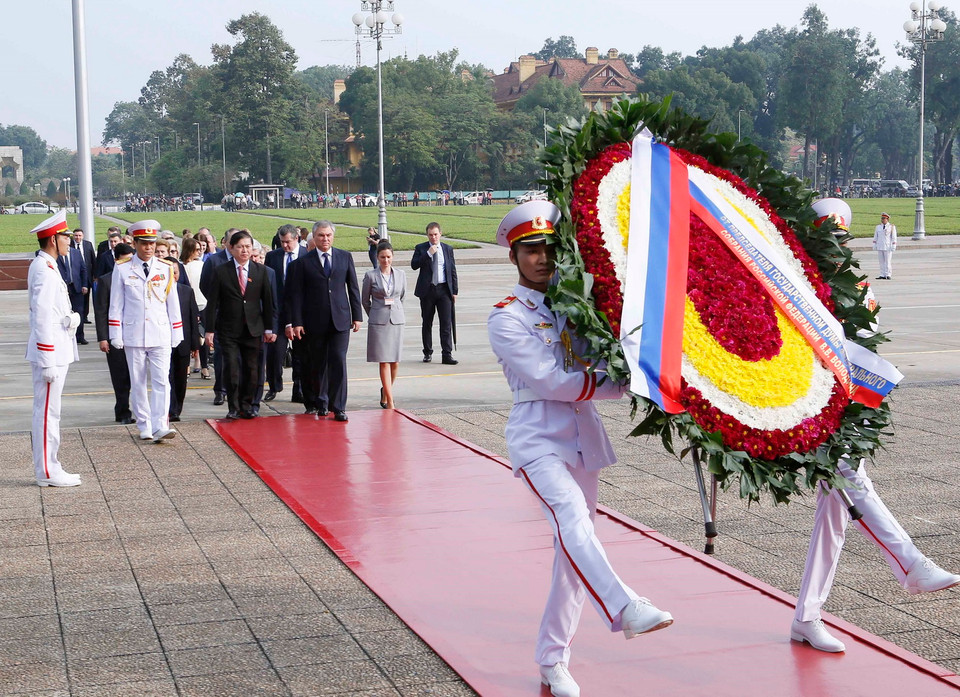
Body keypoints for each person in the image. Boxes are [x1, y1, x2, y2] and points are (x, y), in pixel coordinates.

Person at [488, 201, 672, 697]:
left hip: (583, 439)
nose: (542, 258)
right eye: (530, 250)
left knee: (573, 551)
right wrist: (628, 385)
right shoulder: (506, 318)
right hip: (537, 439)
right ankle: (624, 606)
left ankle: (553, 659)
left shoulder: (580, 305)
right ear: (514, 257)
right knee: (571, 517)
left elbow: (610, 354)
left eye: (549, 248)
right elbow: (552, 380)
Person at [791, 199, 960, 653]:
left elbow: (869, 335)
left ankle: (807, 615)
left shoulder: (858, 283)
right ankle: (910, 563)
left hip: (852, 402)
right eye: (828, 235)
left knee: (835, 518)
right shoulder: (798, 281)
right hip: (813, 405)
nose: (837, 244)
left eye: (841, 235)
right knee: (849, 481)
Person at [108, 219, 183, 442]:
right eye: (144, 243)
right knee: (138, 381)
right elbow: (116, 303)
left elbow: (172, 302)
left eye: (151, 243)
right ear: (135, 243)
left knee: (162, 380)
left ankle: (161, 424)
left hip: (159, 332)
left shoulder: (166, 267)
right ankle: (144, 423)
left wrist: (176, 330)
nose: (148, 248)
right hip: (134, 332)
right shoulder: (122, 268)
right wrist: (115, 333)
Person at [25, 211, 82, 487]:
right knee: (48, 411)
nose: (69, 241)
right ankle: (47, 470)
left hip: (57, 348)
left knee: (50, 410)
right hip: (51, 352)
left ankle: (50, 465)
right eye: (65, 236)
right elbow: (42, 316)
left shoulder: (47, 266)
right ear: (52, 239)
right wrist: (47, 358)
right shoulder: (44, 270)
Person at [285, 220, 362, 422]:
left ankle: (339, 407)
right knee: (318, 364)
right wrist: (297, 322)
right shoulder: (303, 263)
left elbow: (352, 288)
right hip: (314, 321)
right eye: (321, 235)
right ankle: (321, 402)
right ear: (313, 237)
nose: (325, 239)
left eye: (328, 235)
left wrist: (357, 316)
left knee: (338, 361)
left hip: (340, 320)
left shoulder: (344, 257)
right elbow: (297, 296)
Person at [204, 231, 276, 420]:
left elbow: (268, 302)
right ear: (231, 248)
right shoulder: (221, 271)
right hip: (228, 329)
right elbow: (212, 303)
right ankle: (233, 407)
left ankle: (248, 405)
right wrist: (209, 330)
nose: (244, 250)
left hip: (253, 329)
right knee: (232, 369)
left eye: (247, 246)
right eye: (240, 247)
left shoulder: (260, 271)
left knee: (252, 370)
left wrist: (269, 328)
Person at [264, 225, 306, 403]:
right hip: (278, 314)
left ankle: (299, 388)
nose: (285, 246)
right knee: (275, 354)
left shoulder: (307, 255)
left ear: (297, 238)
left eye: (288, 242)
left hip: (300, 314)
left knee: (300, 355)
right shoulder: (272, 257)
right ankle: (274, 386)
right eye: (282, 242)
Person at [361, 240, 406, 409]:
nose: (386, 260)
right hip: (379, 321)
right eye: (382, 257)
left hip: (396, 319)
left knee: (395, 361)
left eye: (388, 257)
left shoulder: (400, 274)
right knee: (384, 361)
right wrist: (375, 313)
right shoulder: (371, 275)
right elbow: (365, 300)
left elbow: (402, 296)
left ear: (392, 257)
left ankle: (386, 391)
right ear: (377, 257)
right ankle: (391, 401)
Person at [94, 242, 135, 425]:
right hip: (114, 335)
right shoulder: (106, 280)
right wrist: (103, 337)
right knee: (120, 375)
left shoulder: (137, 277)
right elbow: (101, 310)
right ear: (116, 260)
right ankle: (123, 410)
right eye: (125, 261)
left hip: (136, 333)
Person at [411, 222, 458, 365]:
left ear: (440, 234)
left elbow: (452, 270)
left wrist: (454, 291)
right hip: (428, 290)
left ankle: (447, 354)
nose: (433, 237)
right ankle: (427, 352)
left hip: (444, 290)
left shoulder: (447, 249)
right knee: (427, 323)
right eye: (430, 235)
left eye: (436, 234)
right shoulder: (421, 248)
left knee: (446, 323)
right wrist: (427, 254)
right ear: (427, 235)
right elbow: (414, 265)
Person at [168, 263, 202, 422]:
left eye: (175, 272)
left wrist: (195, 345)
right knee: (167, 377)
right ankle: (170, 409)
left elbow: (193, 320)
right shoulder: (156, 292)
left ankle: (177, 407)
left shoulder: (186, 291)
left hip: (183, 342)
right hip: (163, 342)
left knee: (180, 378)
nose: (173, 276)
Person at [180, 237, 208, 378]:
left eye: (200, 249)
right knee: (189, 336)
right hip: (189, 305)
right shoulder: (182, 267)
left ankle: (204, 365)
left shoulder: (202, 264)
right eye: (196, 249)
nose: (200, 251)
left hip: (203, 303)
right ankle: (188, 364)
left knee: (203, 336)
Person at [57, 233, 88, 345]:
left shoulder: (76, 253)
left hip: (76, 286)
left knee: (78, 312)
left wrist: (84, 285)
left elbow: (83, 269)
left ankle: (80, 336)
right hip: (63, 288)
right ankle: (67, 336)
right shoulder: (57, 254)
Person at [72, 228, 96, 325]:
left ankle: (85, 316)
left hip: (87, 275)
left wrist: (95, 274)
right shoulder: (70, 245)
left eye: (79, 235)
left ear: (83, 236)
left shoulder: (88, 244)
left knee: (86, 297)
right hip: (75, 275)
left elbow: (93, 260)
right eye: (76, 235)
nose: (78, 237)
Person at [873, 212, 897, 279]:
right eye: (882, 218)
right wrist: (874, 244)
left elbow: (893, 237)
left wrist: (894, 245)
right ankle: (882, 274)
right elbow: (875, 236)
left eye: (884, 218)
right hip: (880, 246)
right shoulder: (878, 227)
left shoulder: (891, 227)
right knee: (881, 262)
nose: (882, 220)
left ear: (887, 219)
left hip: (887, 246)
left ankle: (888, 274)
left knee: (887, 261)